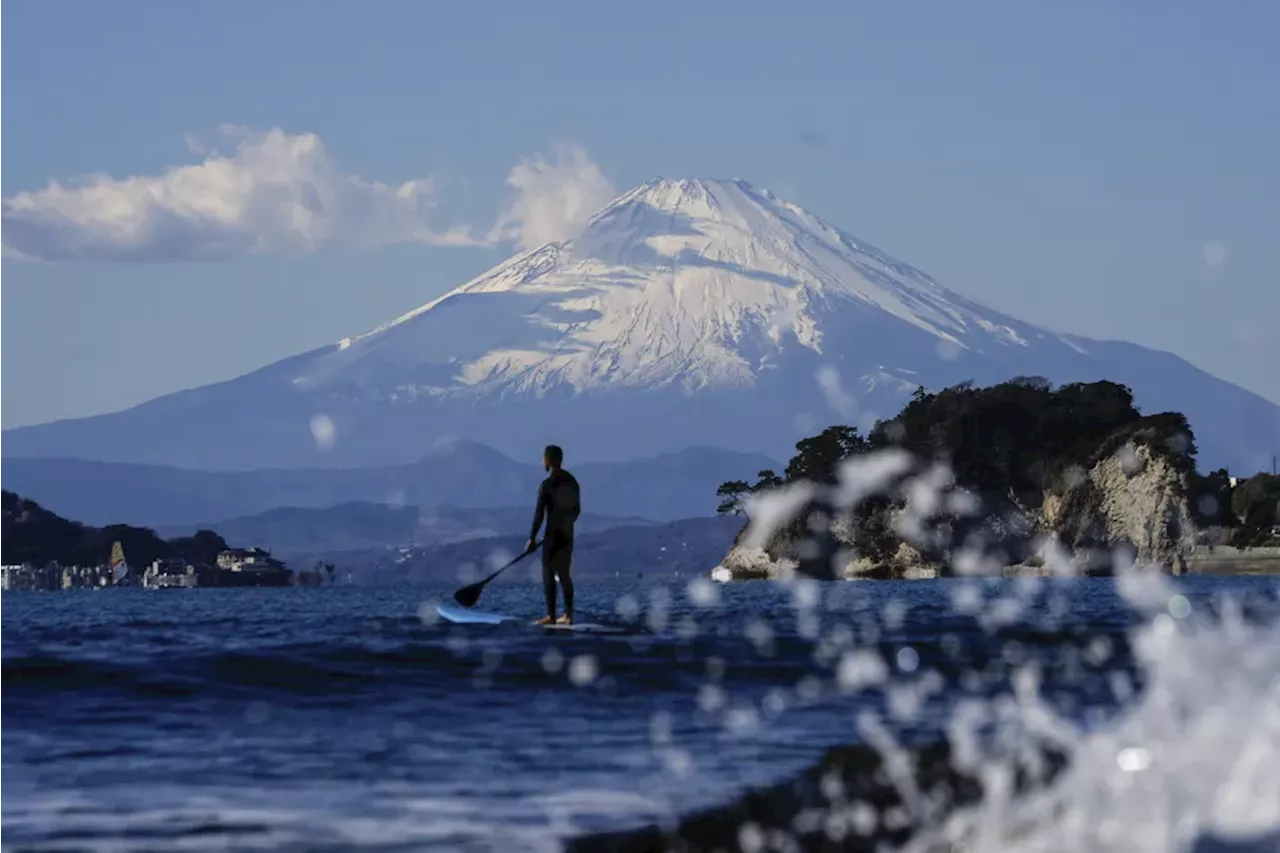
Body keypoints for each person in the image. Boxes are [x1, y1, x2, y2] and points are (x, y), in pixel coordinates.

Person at [527, 444, 580, 625]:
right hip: (567, 535)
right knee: (564, 573)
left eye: (543, 458)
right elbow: (576, 510)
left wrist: (532, 539)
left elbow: (539, 515)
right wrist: (566, 525)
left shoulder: (546, 485)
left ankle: (551, 616)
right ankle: (569, 615)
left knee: (549, 573)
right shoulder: (571, 481)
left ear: (548, 460)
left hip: (551, 537)